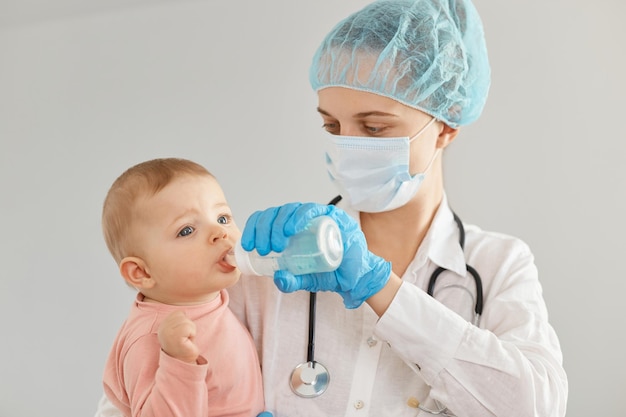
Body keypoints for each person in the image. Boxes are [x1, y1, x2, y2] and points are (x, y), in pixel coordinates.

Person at [96, 0, 568, 416]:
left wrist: (381, 288)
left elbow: (536, 407)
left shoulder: (497, 264)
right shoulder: (268, 263)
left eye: (375, 128)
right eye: (332, 126)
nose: (349, 147)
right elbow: (127, 400)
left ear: (444, 128)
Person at [100, 158, 268, 417]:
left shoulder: (208, 298)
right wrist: (177, 362)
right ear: (142, 272)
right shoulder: (152, 336)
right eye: (187, 230)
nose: (220, 233)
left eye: (222, 218)